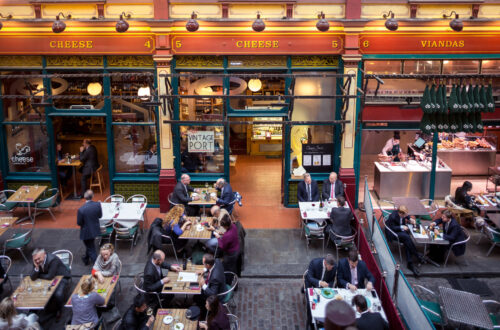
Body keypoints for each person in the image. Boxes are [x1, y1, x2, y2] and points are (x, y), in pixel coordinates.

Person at [30, 248, 71, 323]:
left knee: (58, 294)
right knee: (34, 290)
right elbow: (32, 277)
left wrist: (39, 275)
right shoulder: (36, 261)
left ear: (44, 254)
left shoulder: (53, 260)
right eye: (35, 260)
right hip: (46, 277)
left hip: (61, 276)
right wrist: (36, 268)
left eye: (39, 259)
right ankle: (34, 310)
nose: (37, 261)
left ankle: (59, 309)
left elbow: (50, 276)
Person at [385, 206, 425, 276]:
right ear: (400, 214)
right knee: (407, 237)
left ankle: (410, 263)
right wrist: (402, 227)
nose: (406, 216)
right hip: (392, 233)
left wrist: (410, 219)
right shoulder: (393, 217)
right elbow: (391, 228)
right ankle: (417, 255)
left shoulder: (402, 214)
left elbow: (407, 215)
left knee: (407, 241)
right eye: (405, 215)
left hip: (400, 231)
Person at [77, 190, 102, 266]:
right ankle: (86, 259)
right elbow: (100, 216)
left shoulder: (81, 210)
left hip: (86, 232)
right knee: (90, 245)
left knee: (91, 249)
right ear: (93, 196)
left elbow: (79, 223)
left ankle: (97, 266)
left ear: (84, 197)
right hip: (94, 230)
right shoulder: (98, 205)